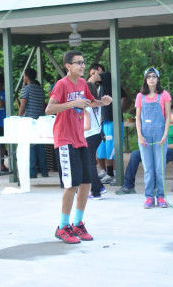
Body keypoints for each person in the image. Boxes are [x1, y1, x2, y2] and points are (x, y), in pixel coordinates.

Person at [46, 50, 112, 244]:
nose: (83, 66)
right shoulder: (61, 85)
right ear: (68, 66)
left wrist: (103, 102)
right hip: (65, 140)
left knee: (86, 182)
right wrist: (71, 103)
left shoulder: (83, 83)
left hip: (80, 139)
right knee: (71, 184)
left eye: (84, 62)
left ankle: (78, 223)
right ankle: (62, 227)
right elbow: (49, 108)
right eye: (78, 63)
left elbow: (90, 102)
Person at [116, 104, 173, 195]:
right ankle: (128, 186)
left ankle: (154, 187)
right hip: (155, 148)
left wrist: (164, 145)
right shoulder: (161, 125)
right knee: (135, 154)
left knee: (154, 156)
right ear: (169, 114)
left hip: (170, 152)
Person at [135, 68, 171, 208]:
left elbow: (168, 116)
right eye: (149, 76)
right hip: (144, 135)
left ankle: (161, 197)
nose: (151, 79)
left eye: (154, 76)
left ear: (158, 79)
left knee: (159, 168)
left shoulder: (164, 95)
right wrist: (139, 135)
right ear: (145, 79)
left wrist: (165, 134)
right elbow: (137, 118)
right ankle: (149, 197)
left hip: (160, 134)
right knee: (148, 168)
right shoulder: (140, 96)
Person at [88, 63, 128, 184]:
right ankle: (109, 173)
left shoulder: (107, 76)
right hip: (104, 121)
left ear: (99, 70)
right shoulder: (102, 86)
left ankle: (117, 175)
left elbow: (124, 97)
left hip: (113, 121)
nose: (93, 76)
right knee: (104, 149)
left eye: (93, 73)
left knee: (113, 148)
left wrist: (85, 86)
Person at [18, 68, 48, 178]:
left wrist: (19, 119)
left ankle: (32, 171)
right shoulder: (40, 89)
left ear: (26, 76)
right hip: (40, 120)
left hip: (30, 121)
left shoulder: (26, 89)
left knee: (30, 145)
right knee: (40, 145)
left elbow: (22, 106)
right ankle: (44, 171)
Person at [84, 82, 107, 200]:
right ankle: (100, 187)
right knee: (91, 163)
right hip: (97, 135)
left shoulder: (87, 106)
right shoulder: (98, 105)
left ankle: (96, 192)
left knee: (89, 165)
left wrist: (76, 129)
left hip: (89, 136)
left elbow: (87, 126)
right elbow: (100, 120)